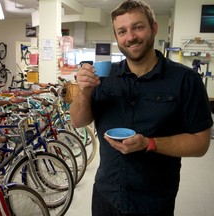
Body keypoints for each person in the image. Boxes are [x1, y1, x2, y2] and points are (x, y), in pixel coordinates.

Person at [70, 0, 213, 215]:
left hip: (153, 201)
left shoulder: (186, 80)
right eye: (122, 31)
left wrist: (149, 143)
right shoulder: (104, 76)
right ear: (117, 37)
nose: (131, 37)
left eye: (138, 27)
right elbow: (78, 121)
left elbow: (200, 144)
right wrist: (84, 91)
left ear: (153, 28)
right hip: (106, 195)